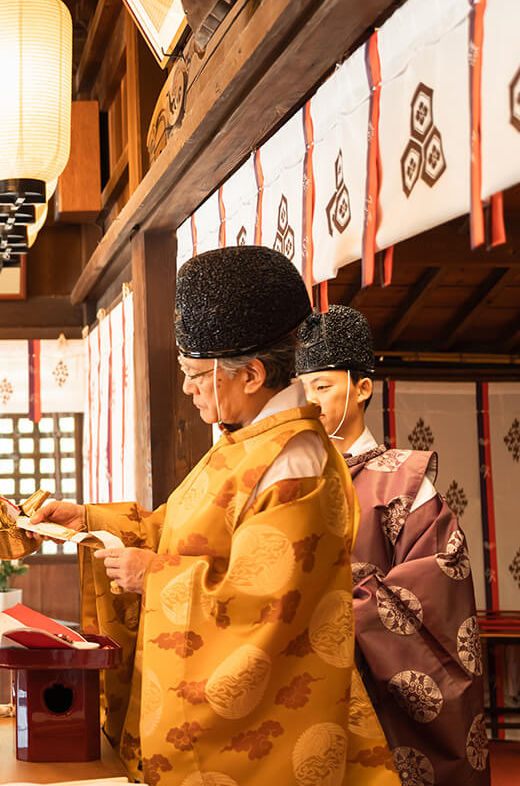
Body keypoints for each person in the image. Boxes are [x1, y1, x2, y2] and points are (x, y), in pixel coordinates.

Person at [33, 246, 399, 785]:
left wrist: (149, 576)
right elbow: (182, 531)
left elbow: (268, 605)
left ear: (250, 374)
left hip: (274, 730)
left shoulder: (295, 458)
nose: (187, 387)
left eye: (195, 373)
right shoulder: (247, 441)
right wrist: (88, 519)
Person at [296, 305, 488, 783]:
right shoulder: (288, 478)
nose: (309, 401)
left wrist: (332, 611)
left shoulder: (405, 482)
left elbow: (438, 583)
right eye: (300, 390)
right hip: (300, 679)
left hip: (374, 687)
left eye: (322, 386)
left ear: (362, 388)